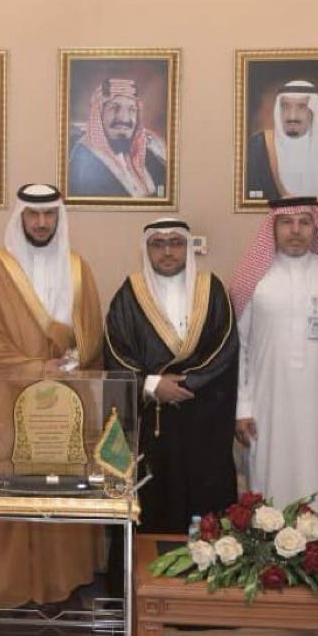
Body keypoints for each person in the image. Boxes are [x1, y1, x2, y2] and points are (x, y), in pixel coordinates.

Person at [0, 183, 104, 609]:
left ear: (59, 218)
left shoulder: (79, 268)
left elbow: (93, 335)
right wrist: (35, 369)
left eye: (49, 215)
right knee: (12, 485)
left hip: (64, 399)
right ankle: (8, 587)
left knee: (62, 486)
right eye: (34, 214)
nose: (42, 223)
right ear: (21, 217)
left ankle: (63, 582)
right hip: (8, 401)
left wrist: (69, 362)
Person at [231, 196, 318, 535]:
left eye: (304, 223)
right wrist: (243, 407)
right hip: (268, 410)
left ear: (315, 228)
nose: (295, 230)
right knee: (270, 484)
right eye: (286, 223)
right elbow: (241, 348)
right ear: (273, 228)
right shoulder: (253, 280)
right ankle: (270, 558)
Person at [104, 218, 239, 533]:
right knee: (154, 496)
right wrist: (152, 385)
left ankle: (206, 563)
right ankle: (146, 565)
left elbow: (226, 346)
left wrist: (188, 383)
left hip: (202, 416)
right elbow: (115, 350)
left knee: (205, 499)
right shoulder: (130, 293)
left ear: (187, 248)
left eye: (176, 243)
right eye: (158, 244)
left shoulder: (212, 288)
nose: (167, 252)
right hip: (151, 421)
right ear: (146, 249)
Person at [246, 80, 318, 201]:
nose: (292, 116)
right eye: (285, 107)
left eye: (301, 107)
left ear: (313, 111)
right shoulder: (259, 146)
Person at [68, 78, 167, 198]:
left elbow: (163, 192)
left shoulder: (147, 154)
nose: (124, 118)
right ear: (99, 115)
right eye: (114, 108)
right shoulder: (84, 164)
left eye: (132, 110)